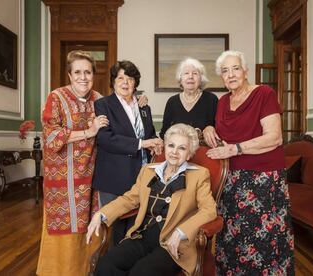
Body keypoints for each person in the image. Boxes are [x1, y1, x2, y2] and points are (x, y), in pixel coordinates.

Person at [203, 50, 294, 275]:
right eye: (225, 71)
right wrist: (208, 127)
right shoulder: (223, 102)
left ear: (245, 71)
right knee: (233, 238)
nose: (231, 74)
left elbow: (274, 137)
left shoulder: (264, 93)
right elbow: (222, 136)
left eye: (235, 68)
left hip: (263, 179)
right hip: (230, 180)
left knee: (265, 239)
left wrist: (236, 148)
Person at [86, 123, 217, 276]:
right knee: (106, 265)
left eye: (182, 148)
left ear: (189, 154)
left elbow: (209, 210)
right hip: (142, 235)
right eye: (171, 145)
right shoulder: (148, 170)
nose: (174, 152)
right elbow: (129, 199)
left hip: (173, 244)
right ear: (165, 147)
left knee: (142, 272)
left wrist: (182, 231)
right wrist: (101, 214)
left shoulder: (199, 175)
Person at [37, 50, 109, 275]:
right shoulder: (56, 97)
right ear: (69, 75)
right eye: (77, 72)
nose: (83, 77)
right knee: (65, 230)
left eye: (88, 72)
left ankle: (88, 270)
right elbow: (51, 136)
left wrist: (137, 100)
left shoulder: (99, 99)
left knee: (91, 223)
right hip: (62, 177)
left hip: (92, 176)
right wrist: (89, 131)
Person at [93, 60, 163, 245]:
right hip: (113, 177)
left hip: (141, 177)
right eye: (120, 78)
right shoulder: (103, 104)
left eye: (130, 78)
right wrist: (143, 143)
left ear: (135, 82)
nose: (125, 82)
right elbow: (105, 139)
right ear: (113, 81)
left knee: (136, 227)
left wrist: (154, 143)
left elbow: (149, 134)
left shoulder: (143, 106)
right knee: (116, 231)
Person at [159, 57, 218, 139]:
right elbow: (164, 133)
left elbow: (220, 129)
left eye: (195, 73)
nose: (190, 76)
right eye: (186, 73)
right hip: (178, 150)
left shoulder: (211, 99)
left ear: (201, 79)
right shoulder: (172, 102)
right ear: (180, 79)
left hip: (205, 150)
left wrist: (211, 128)